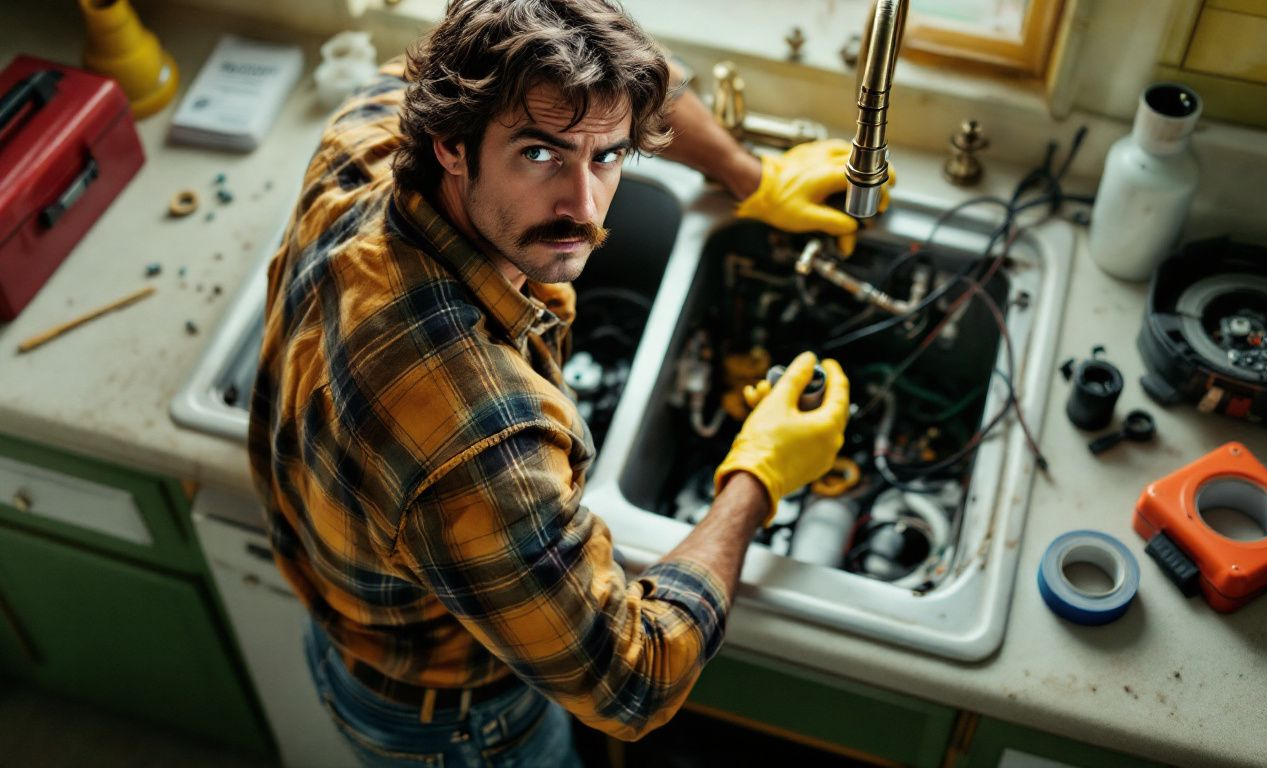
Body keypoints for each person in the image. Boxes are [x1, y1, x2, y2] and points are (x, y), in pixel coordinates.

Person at [248, 1, 885, 765]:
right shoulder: (477, 438)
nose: (583, 207)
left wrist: (748, 175)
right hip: (459, 728)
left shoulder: (373, 128)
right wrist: (759, 474)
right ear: (452, 144)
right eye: (541, 155)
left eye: (609, 156)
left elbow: (617, 83)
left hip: (352, 620)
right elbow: (635, 679)